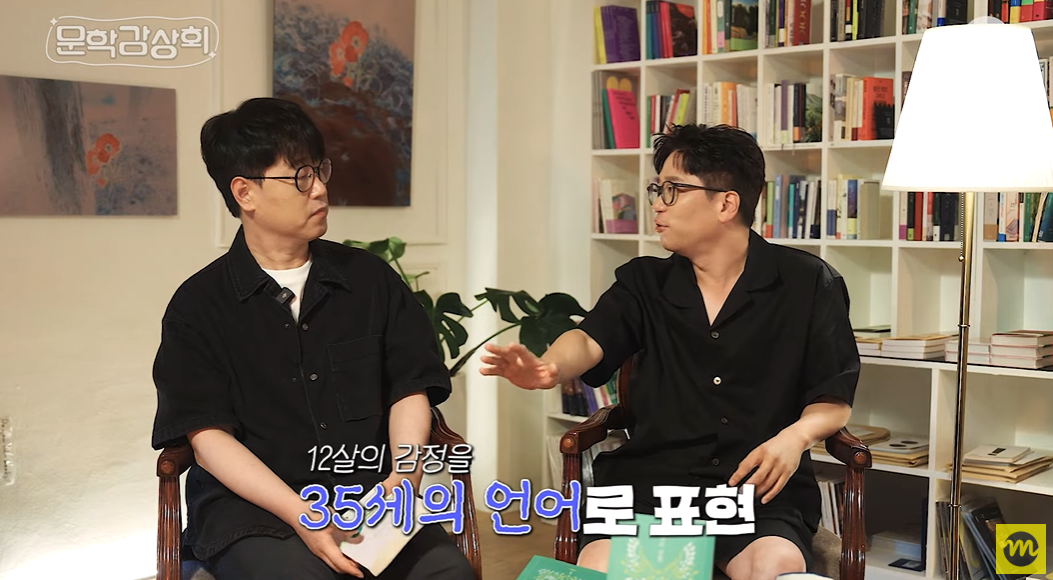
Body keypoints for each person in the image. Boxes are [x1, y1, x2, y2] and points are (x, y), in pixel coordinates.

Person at [481, 124, 860, 580]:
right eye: (657, 189)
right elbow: (588, 338)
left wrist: (794, 439)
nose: (658, 204)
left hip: (754, 486)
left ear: (726, 203)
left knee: (774, 565)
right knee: (601, 568)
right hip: (649, 483)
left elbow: (833, 396)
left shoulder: (808, 282)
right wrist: (549, 367)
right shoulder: (644, 282)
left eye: (673, 190)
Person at [150, 97, 475, 580]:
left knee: (450, 574)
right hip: (253, 513)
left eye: (320, 170)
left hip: (370, 501)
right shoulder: (198, 306)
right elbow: (208, 437)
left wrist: (403, 479)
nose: (320, 188)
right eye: (300, 176)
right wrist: (303, 515)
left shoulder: (369, 280)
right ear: (245, 192)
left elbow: (410, 386)